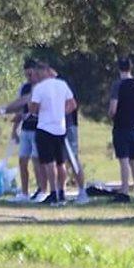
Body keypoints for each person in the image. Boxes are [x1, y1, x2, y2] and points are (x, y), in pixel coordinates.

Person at [0, 59, 45, 202]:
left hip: (38, 129)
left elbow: (26, 101)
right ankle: (24, 192)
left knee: (37, 161)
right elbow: (20, 106)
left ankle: (42, 189)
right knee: (23, 160)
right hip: (26, 129)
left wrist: (5, 109)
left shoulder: (42, 87)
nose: (29, 78)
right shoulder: (25, 88)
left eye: (31, 74)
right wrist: (14, 129)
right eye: (27, 75)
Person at [28, 62, 78, 205]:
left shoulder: (39, 88)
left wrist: (36, 107)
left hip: (45, 127)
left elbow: (33, 109)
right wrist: (61, 112)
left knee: (49, 162)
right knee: (60, 162)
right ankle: (62, 192)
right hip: (60, 127)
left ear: (41, 73)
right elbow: (73, 104)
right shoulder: (62, 84)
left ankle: (54, 191)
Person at [109, 57, 134, 202]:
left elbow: (113, 108)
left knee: (124, 160)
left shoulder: (118, 85)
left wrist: (110, 116)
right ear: (131, 68)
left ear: (119, 68)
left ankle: (125, 191)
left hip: (121, 127)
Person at [50, 68, 89, 204]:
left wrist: (59, 113)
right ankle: (61, 191)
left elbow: (72, 105)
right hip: (55, 127)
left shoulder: (62, 84)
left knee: (72, 158)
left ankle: (82, 191)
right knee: (59, 160)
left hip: (68, 125)